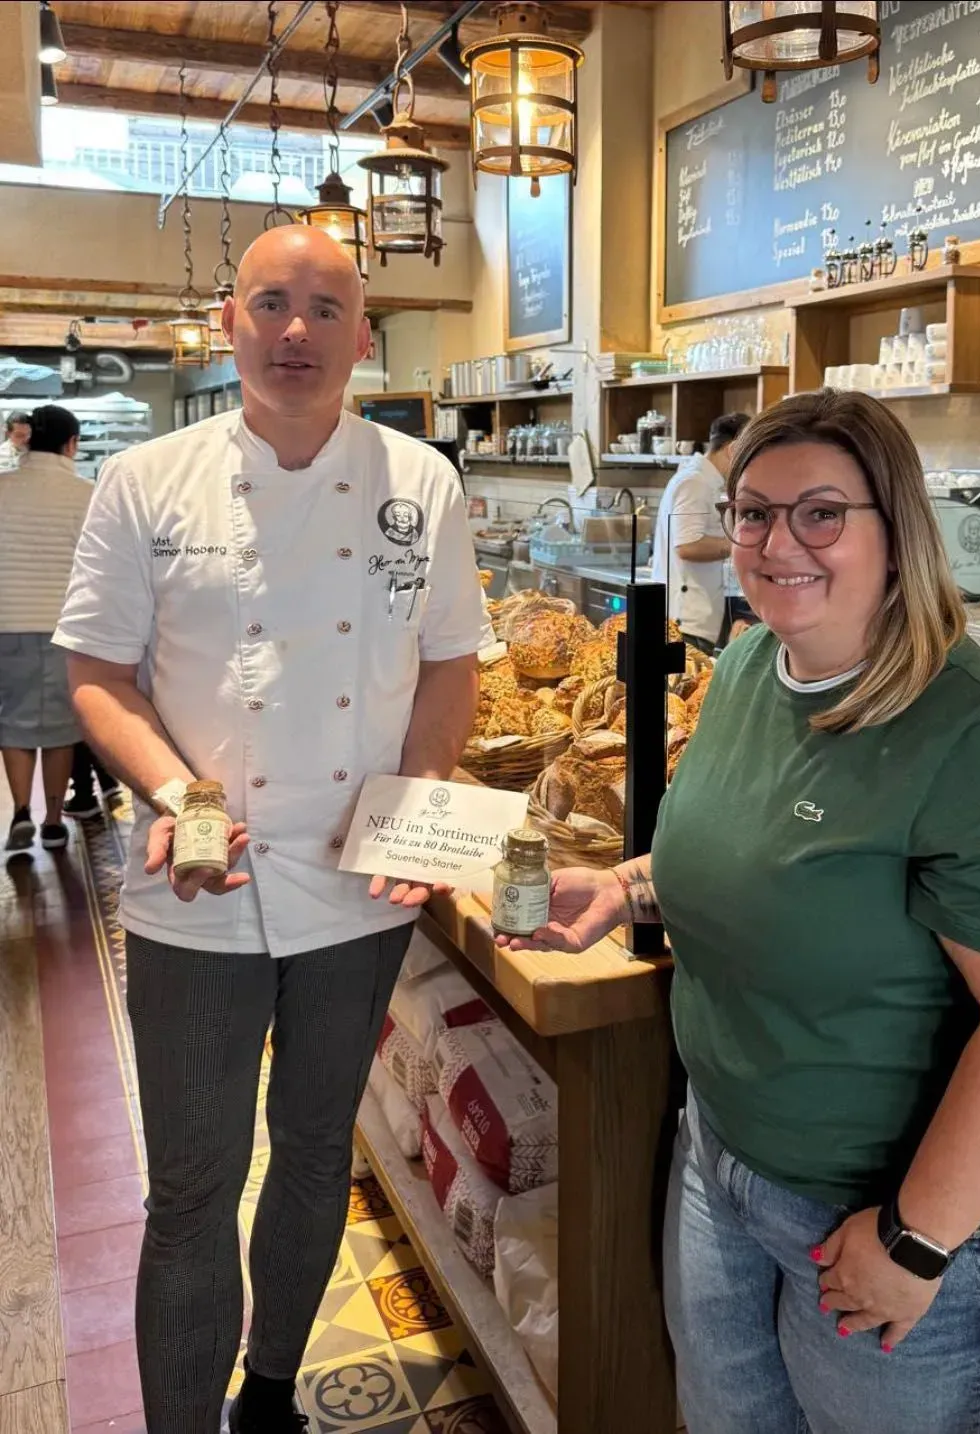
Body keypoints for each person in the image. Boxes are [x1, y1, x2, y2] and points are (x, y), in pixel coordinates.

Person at [497, 389, 980, 1434]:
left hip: (902, 1217)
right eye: (754, 513)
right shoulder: (743, 669)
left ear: (896, 528)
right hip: (725, 1165)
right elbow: (748, 849)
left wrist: (916, 1240)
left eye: (821, 512)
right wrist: (627, 886)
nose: (780, 543)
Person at [54, 225, 483, 1434]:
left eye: (327, 308)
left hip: (357, 885)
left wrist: (421, 800)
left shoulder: (423, 482)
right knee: (192, 1187)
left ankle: (278, 1395)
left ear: (364, 329)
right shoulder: (148, 480)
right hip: (195, 884)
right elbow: (95, 670)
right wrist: (177, 794)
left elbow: (451, 669)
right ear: (229, 319)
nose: (299, 331)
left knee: (312, 1150)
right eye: (273, 304)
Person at [0, 404, 92, 851]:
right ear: (71, 444)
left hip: (6, 623)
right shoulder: (85, 495)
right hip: (63, 626)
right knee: (60, 728)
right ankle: (54, 820)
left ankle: (20, 811)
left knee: (12, 722)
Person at [649, 411, 749, 652]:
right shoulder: (696, 483)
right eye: (748, 453)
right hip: (685, 624)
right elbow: (687, 546)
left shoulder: (703, 480)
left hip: (692, 621)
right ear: (733, 449)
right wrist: (742, 545)